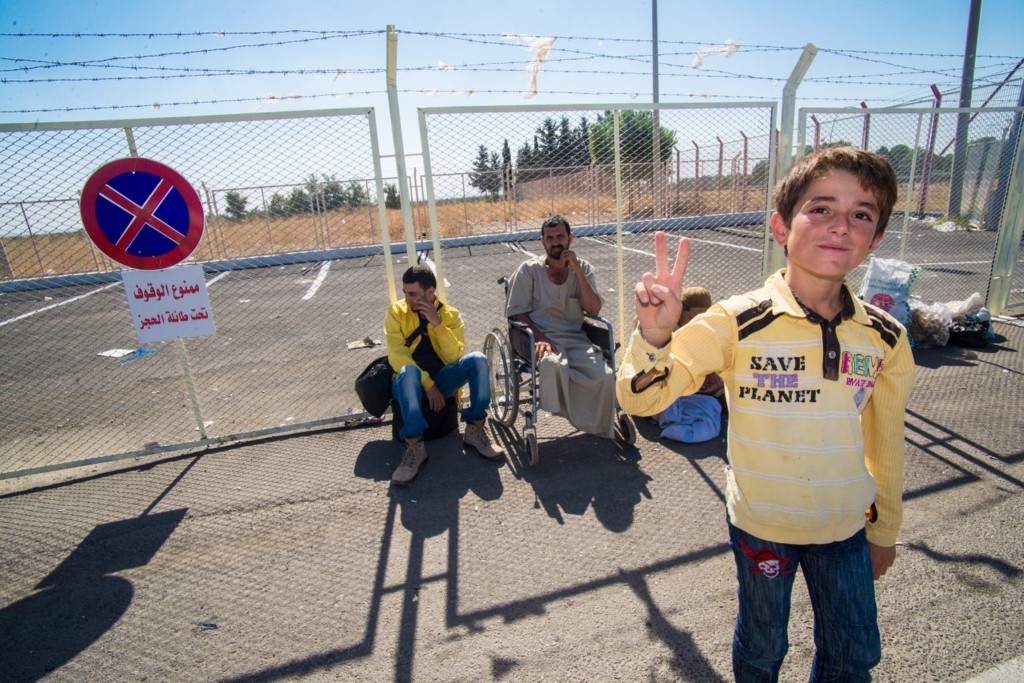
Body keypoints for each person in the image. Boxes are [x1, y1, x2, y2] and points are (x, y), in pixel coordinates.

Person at [616, 147, 915, 681]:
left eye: (861, 214)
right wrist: (656, 336)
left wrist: (885, 528)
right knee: (760, 647)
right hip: (761, 527)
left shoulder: (886, 338)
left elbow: (885, 444)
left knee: (852, 655)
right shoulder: (735, 321)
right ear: (781, 225)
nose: (841, 226)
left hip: (846, 528)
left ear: (876, 238)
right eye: (820, 208)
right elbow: (641, 400)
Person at [385, 264, 504, 485]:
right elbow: (396, 357)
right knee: (408, 371)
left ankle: (475, 429)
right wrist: (428, 384)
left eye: (413, 294)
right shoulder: (396, 313)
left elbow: (454, 356)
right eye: (405, 293)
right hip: (407, 383)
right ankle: (414, 446)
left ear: (430, 292)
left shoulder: (450, 315)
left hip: (442, 380)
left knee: (477, 359)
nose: (407, 299)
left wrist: (438, 324)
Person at [505, 215, 616, 439]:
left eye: (560, 237)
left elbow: (593, 310)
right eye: (550, 238)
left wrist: (576, 269)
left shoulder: (584, 268)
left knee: (604, 374)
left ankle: (596, 423)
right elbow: (517, 312)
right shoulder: (528, 270)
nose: (556, 242)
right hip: (537, 337)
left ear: (570, 238)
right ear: (542, 241)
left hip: (575, 337)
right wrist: (540, 337)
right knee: (552, 365)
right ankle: (569, 413)